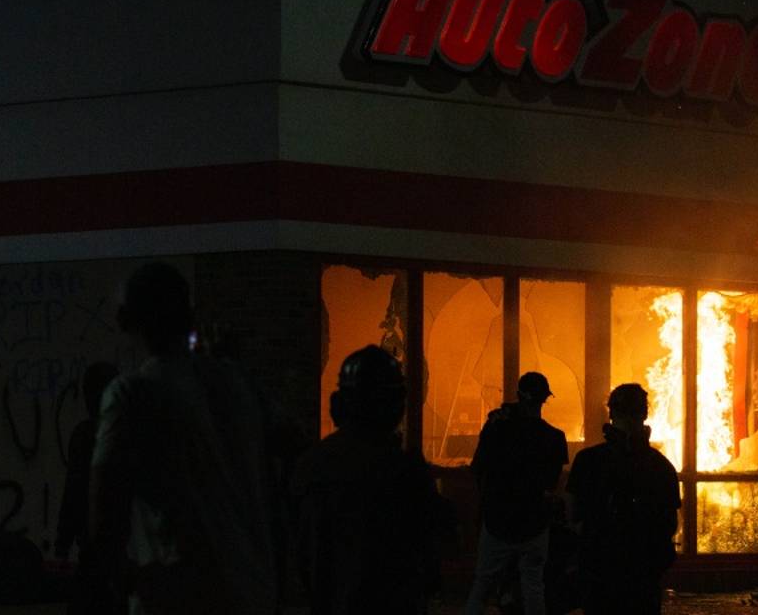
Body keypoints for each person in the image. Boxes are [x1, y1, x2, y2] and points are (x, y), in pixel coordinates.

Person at [89, 262, 280, 615]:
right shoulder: (240, 384)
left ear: (125, 318)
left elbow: (107, 513)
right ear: (190, 317)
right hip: (253, 592)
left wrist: (113, 581)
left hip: (178, 594)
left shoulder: (132, 394)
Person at [290, 344, 445, 615]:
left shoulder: (315, 464)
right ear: (396, 406)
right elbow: (432, 557)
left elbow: (302, 556)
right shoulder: (405, 470)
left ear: (339, 404)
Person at [565, 383, 679, 615]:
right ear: (645, 415)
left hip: (600, 568)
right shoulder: (660, 465)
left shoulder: (589, 460)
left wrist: (586, 535)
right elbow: (670, 522)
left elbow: (572, 509)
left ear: (611, 414)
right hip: (642, 572)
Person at [464, 371, 569, 615]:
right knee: (534, 585)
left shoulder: (497, 429)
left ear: (519, 396)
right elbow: (552, 483)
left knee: (482, 584)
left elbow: (478, 468)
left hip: (498, 519)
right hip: (534, 522)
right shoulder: (553, 438)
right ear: (544, 399)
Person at [56, 361, 119, 615]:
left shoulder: (84, 435)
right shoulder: (126, 432)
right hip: (122, 544)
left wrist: (63, 540)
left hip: (93, 544)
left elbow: (74, 491)